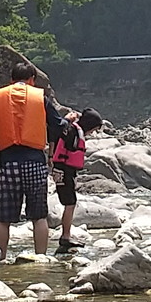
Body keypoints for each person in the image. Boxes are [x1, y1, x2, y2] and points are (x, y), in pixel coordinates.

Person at [0, 59, 68, 258]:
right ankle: (41, 257)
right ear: (32, 80)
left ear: (11, 80)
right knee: (39, 216)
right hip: (35, 162)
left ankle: (0, 258)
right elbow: (57, 125)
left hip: (9, 162)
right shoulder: (40, 98)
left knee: (4, 218)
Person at [48, 108, 100, 256]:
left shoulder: (73, 129)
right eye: (94, 129)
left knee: (70, 203)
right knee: (70, 203)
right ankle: (65, 238)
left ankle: (66, 236)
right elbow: (59, 134)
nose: (92, 133)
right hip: (64, 170)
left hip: (65, 170)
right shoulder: (72, 130)